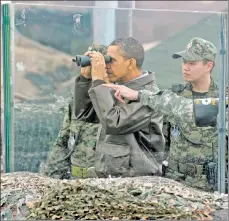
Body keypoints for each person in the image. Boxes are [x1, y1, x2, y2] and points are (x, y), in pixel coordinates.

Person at [103, 37, 228, 192]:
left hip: (209, 185)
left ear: (209, 65)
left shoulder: (222, 100)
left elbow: (188, 109)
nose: (185, 68)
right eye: (184, 62)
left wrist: (139, 95)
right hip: (175, 182)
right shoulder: (175, 95)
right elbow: (163, 138)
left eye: (192, 63)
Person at [73, 37, 165, 178]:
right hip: (111, 176)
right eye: (106, 60)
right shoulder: (118, 87)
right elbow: (85, 114)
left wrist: (98, 81)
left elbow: (114, 122)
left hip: (137, 180)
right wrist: (86, 79)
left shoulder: (149, 95)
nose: (107, 65)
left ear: (130, 63)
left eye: (112, 60)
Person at [39, 44, 108, 179]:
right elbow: (63, 140)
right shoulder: (78, 100)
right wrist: (50, 179)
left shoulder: (119, 97)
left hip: (107, 182)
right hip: (76, 181)